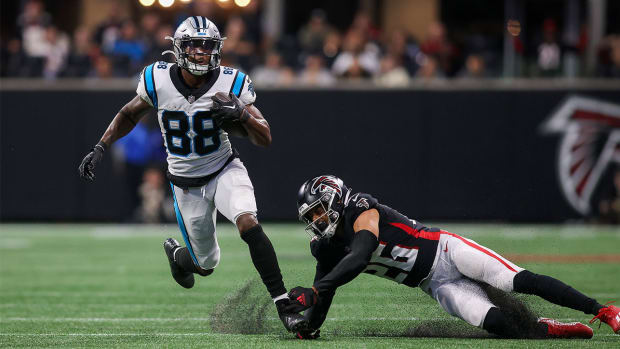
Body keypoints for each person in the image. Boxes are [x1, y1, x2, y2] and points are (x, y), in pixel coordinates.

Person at [78, 16, 306, 333]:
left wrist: (242, 114)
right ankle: (178, 254)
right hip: (185, 185)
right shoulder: (157, 79)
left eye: (208, 46)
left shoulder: (231, 81)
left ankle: (284, 304)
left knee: (248, 223)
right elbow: (129, 113)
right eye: (195, 46)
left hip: (224, 168)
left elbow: (264, 136)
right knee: (205, 264)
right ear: (179, 48)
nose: (201, 53)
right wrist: (101, 146)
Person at [286, 175, 620, 339]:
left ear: (334, 198)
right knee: (500, 324)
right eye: (310, 218)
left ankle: (603, 310)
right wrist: (308, 325)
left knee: (516, 280)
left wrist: (315, 291)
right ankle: (547, 327)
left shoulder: (360, 207)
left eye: (317, 212)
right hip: (434, 284)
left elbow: (360, 255)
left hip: (447, 252)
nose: (316, 222)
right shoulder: (325, 248)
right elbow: (324, 291)